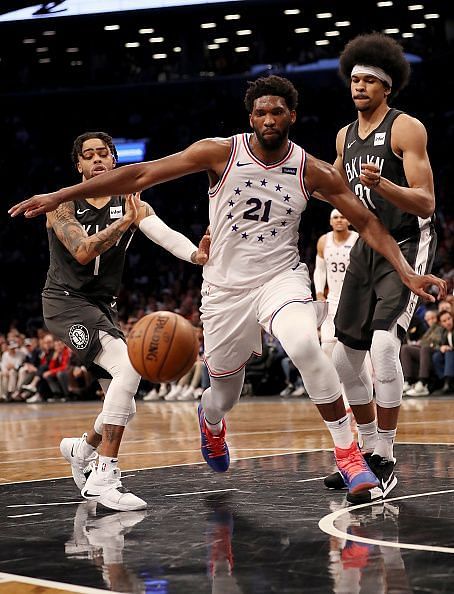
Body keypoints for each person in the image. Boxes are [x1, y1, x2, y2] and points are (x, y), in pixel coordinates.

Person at [9, 77, 446, 502]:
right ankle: (211, 420)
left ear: (292, 115)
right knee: (223, 395)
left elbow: (368, 222)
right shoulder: (219, 152)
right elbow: (141, 174)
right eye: (261, 112)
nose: (269, 118)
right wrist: (59, 194)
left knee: (305, 345)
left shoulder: (312, 170)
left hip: (280, 278)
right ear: (250, 117)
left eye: (277, 111)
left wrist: (406, 272)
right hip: (224, 291)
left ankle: (348, 453)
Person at [25, 131, 210, 511]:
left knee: (124, 400)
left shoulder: (129, 202)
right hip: (65, 303)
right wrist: (125, 223)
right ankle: (104, 476)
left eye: (102, 155)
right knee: (128, 369)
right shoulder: (62, 205)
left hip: (102, 306)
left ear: (113, 162)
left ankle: (82, 448)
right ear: (78, 165)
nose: (95, 160)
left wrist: (195, 256)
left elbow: (162, 234)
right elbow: (80, 251)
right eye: (88, 156)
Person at [325, 33, 439, 503]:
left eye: (369, 80)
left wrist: (385, 184)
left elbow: (427, 201)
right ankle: (367, 450)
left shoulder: (405, 128)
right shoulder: (343, 136)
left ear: (386, 87)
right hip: (365, 247)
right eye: (354, 79)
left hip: (409, 244)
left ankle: (386, 459)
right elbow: (333, 185)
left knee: (384, 347)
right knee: (341, 359)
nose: (359, 86)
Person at [314, 208, 359, 358]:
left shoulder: (357, 239)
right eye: (335, 217)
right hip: (332, 299)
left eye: (343, 216)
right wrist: (319, 292)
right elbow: (320, 270)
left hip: (354, 300)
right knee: (327, 346)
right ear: (330, 221)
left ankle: (367, 380)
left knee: (355, 348)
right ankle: (329, 381)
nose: (339, 220)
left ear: (349, 221)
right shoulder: (323, 241)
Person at [401, 309, 443, 396]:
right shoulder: (429, 329)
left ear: (437, 318)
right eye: (428, 319)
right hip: (426, 350)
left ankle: (423, 382)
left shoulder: (441, 327)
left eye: (432, 318)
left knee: (424, 348)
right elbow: (423, 342)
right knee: (405, 348)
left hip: (436, 351)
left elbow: (437, 342)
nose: (430, 321)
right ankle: (408, 381)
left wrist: (423, 344)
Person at [431, 310, 454, 395]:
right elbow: (437, 344)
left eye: (449, 319)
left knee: (449, 353)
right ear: (441, 324)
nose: (448, 322)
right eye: (444, 321)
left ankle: (448, 384)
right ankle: (444, 382)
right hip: (450, 356)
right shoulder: (444, 332)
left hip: (451, 354)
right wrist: (441, 347)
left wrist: (451, 348)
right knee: (436, 356)